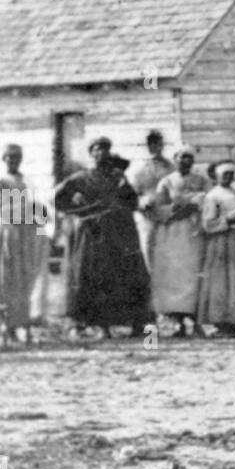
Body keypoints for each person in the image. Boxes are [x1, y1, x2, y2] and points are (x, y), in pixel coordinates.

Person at [55, 137, 151, 338]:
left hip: (119, 234)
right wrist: (76, 205)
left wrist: (123, 196)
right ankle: (97, 324)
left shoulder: (118, 177)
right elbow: (57, 198)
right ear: (91, 154)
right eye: (97, 150)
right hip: (93, 234)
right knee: (94, 276)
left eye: (105, 150)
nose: (101, 154)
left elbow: (132, 202)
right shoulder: (81, 178)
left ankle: (132, 323)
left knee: (124, 276)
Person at [0, 144, 51, 343]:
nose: (13, 161)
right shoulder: (0, 182)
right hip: (8, 234)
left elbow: (41, 211)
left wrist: (41, 229)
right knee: (6, 280)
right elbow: (4, 211)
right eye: (9, 157)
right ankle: (6, 327)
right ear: (3, 159)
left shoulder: (27, 181)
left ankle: (23, 324)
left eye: (17, 157)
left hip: (26, 236)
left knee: (24, 281)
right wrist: (30, 209)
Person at [150, 145, 208, 337]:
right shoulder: (166, 182)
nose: (186, 161)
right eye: (182, 157)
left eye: (189, 158)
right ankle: (176, 319)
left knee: (194, 272)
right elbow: (158, 209)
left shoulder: (201, 180)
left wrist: (197, 205)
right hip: (173, 232)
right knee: (175, 274)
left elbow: (209, 200)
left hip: (194, 230)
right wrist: (178, 208)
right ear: (175, 159)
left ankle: (194, 318)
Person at [197, 160, 235, 336]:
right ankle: (222, 323)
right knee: (222, 282)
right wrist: (228, 219)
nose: (229, 178)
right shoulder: (213, 195)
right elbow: (207, 224)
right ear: (217, 176)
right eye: (225, 175)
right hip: (221, 241)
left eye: (231, 175)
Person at [131, 130, 172, 268]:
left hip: (168, 213)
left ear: (162, 145)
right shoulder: (140, 168)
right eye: (152, 144)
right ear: (148, 146)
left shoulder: (170, 167)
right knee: (148, 246)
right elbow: (133, 194)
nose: (155, 147)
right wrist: (141, 202)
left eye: (158, 144)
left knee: (168, 248)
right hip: (148, 215)